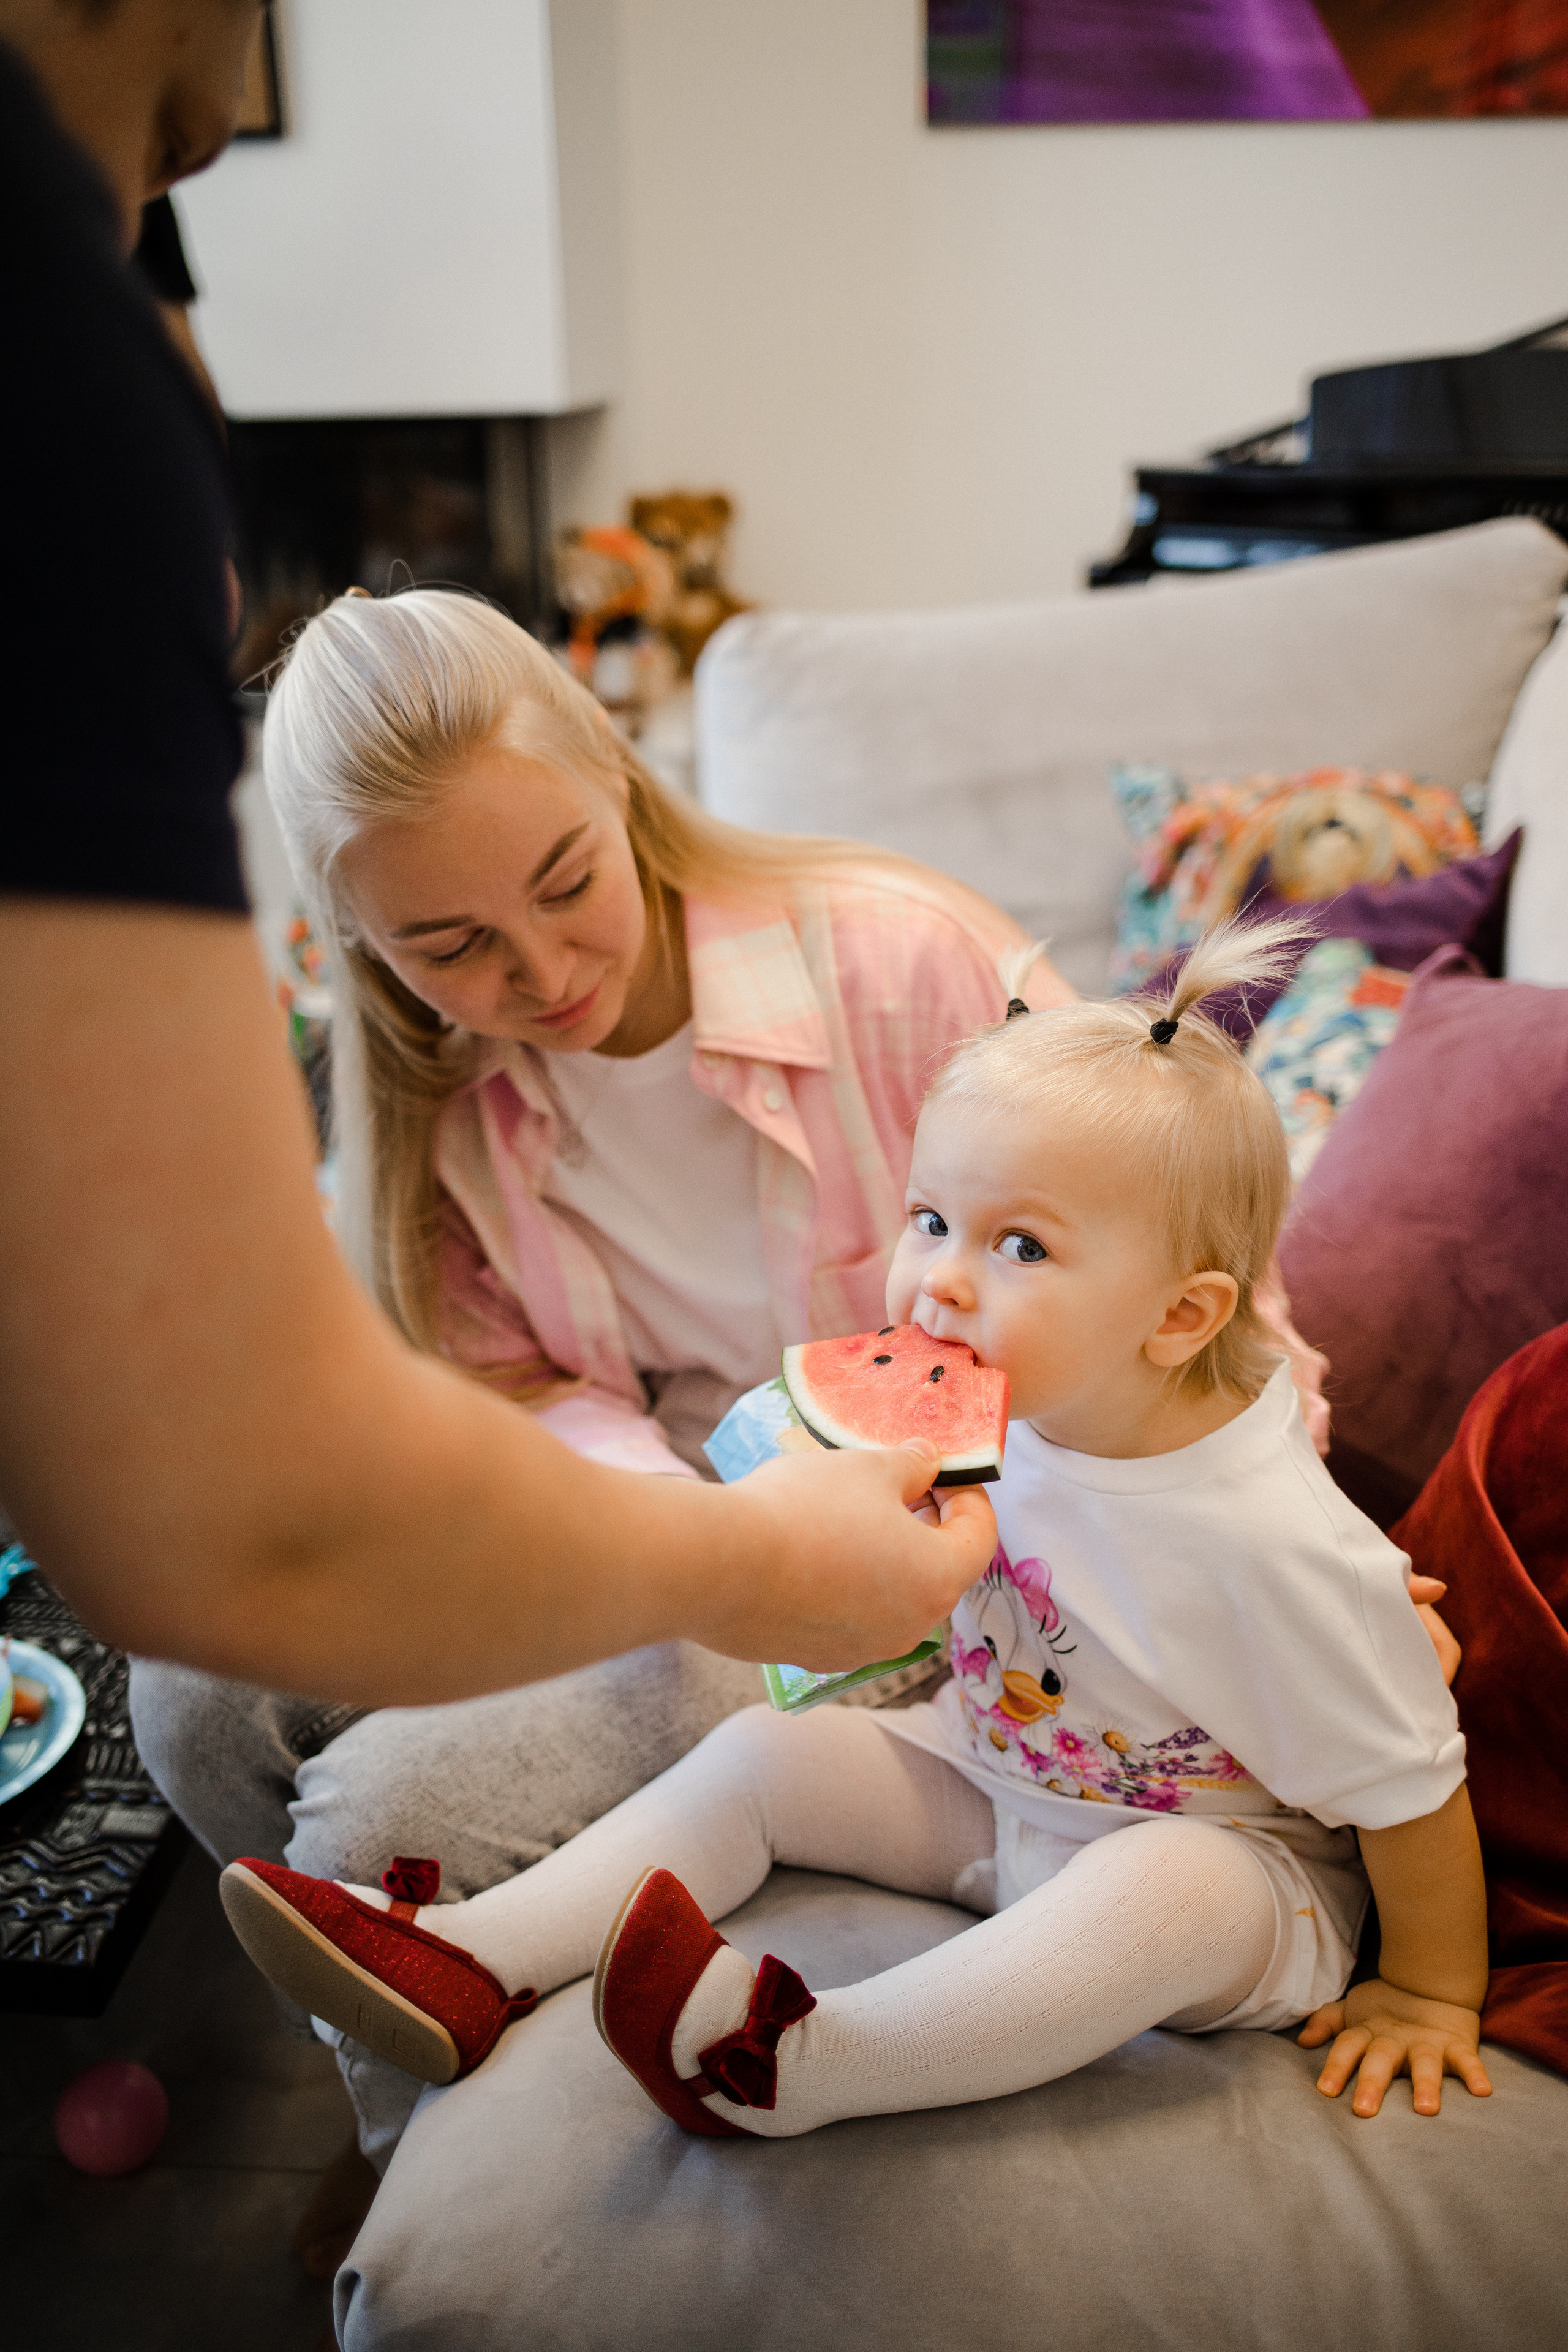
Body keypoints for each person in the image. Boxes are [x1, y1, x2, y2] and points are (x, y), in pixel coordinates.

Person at [0, 0, 998, 1719]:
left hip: (944, 1565)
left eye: (560, 882)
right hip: (700, 1552)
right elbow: (227, 1506)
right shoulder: (431, 1117)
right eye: (447, 948)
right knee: (207, 1703)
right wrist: (720, 1541)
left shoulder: (906, 964)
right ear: (357, 957)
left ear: (620, 772)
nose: (535, 979)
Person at [222, 921, 1490, 2134]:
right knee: (768, 1759)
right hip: (994, 1781)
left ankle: (799, 2060)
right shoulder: (1020, 1412)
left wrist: (1429, 1992)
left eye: (1021, 1247)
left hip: (1234, 1875)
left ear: (1176, 1318)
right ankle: (467, 1959)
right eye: (930, 1218)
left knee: (1175, 1887)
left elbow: (1411, 1785)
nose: (935, 1278)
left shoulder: (1270, 1538)